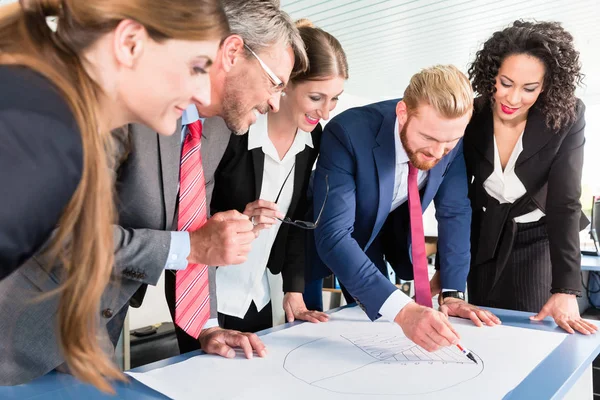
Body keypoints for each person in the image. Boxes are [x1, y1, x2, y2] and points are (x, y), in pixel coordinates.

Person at [0, 0, 228, 390]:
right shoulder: (37, 135)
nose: (203, 92)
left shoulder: (57, 126)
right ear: (129, 43)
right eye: (195, 67)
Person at [115, 0, 308, 358]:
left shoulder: (217, 128)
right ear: (233, 51)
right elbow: (62, 239)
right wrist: (190, 246)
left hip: (98, 320)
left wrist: (207, 326)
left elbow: (193, 221)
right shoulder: (124, 100)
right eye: (274, 83)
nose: (275, 104)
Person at [310, 65, 501, 353]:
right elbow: (334, 234)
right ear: (402, 113)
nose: (438, 153)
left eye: (449, 144)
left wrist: (452, 292)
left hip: (391, 239)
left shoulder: (448, 135)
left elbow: (455, 212)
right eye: (429, 139)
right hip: (331, 245)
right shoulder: (348, 133)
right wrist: (404, 311)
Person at [208, 19, 347, 333]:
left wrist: (293, 290)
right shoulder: (233, 129)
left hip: (255, 293)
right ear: (286, 83)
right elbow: (188, 207)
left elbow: (297, 219)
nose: (326, 112)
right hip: (206, 289)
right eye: (316, 98)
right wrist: (234, 218)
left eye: (334, 97)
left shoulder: (314, 139)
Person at [464, 20, 598, 335]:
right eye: (506, 83)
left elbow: (565, 202)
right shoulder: (472, 115)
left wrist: (567, 289)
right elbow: (457, 199)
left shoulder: (567, 116)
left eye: (529, 88)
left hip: (538, 238)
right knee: (482, 330)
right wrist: (448, 270)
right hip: (484, 238)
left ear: (547, 86)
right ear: (491, 75)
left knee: (532, 334)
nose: (512, 99)